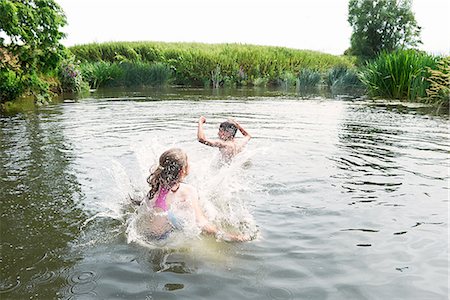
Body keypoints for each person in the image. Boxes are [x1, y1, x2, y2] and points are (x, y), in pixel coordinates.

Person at [139, 148, 248, 242]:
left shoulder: (154, 190)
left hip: (148, 236)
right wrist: (229, 236)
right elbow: (201, 222)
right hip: (166, 238)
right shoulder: (187, 191)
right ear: (183, 170)